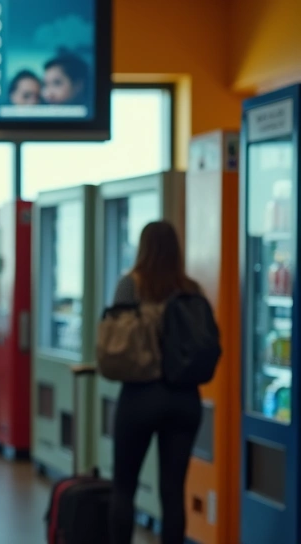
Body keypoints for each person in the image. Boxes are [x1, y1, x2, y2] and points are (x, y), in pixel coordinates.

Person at [109, 221, 204, 544]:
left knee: (124, 487)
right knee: (173, 491)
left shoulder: (130, 285)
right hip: (185, 399)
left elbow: (113, 337)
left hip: (140, 396)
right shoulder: (191, 289)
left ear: (143, 247)